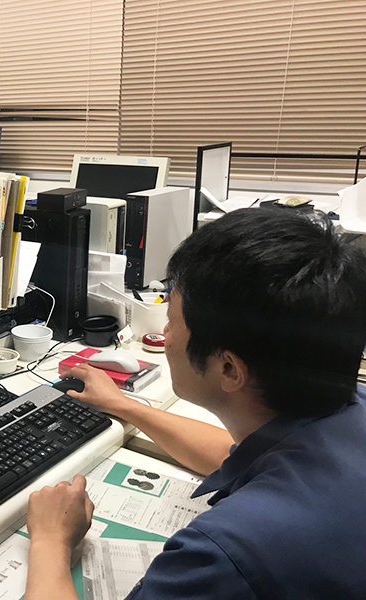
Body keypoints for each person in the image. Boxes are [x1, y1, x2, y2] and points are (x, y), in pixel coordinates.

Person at [25, 209, 366, 600]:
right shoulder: (347, 405)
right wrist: (125, 405)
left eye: (172, 322)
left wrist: (50, 539)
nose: (165, 334)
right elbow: (234, 454)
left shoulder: (223, 555)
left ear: (229, 368)